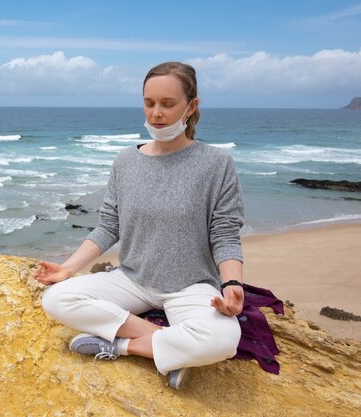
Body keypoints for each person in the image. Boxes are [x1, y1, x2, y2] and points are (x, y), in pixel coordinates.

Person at [34, 62, 245, 390]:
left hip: (191, 285)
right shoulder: (125, 161)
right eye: (149, 103)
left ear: (191, 106)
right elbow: (108, 226)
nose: (156, 113)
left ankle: (120, 346)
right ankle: (170, 346)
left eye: (168, 103)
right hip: (131, 280)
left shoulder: (217, 164)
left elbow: (225, 232)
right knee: (56, 300)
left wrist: (233, 284)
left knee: (225, 339)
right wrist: (67, 269)